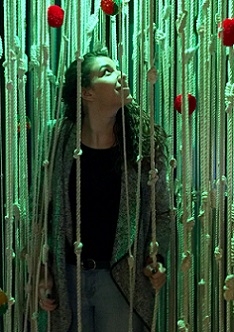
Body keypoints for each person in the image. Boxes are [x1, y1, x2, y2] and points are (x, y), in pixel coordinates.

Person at [37, 49, 171, 332]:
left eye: (118, 68)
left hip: (122, 280)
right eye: (106, 72)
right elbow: (42, 210)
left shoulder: (142, 144)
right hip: (68, 279)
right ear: (87, 93)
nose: (121, 74)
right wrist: (41, 269)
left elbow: (162, 213)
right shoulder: (57, 138)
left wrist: (157, 258)